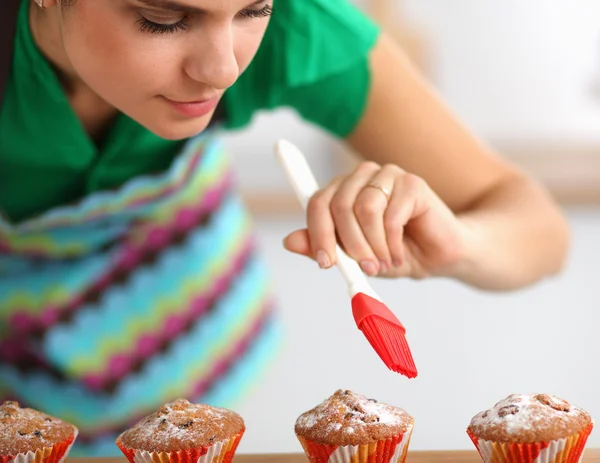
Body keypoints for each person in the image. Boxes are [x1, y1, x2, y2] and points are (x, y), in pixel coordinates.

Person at [0, 0, 569, 455]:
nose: (223, 68)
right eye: (165, 18)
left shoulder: (302, 21)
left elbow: (538, 228)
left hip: (188, 352)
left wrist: (456, 242)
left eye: (254, 9)